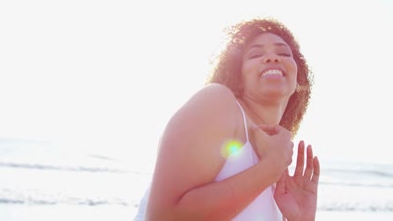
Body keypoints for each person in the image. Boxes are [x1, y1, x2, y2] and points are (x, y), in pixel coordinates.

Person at [134, 18, 320, 221]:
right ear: (237, 73)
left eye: (283, 53)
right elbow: (163, 217)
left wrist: (301, 219)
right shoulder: (218, 101)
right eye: (255, 54)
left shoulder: (277, 169)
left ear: (298, 76)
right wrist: (270, 167)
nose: (272, 58)